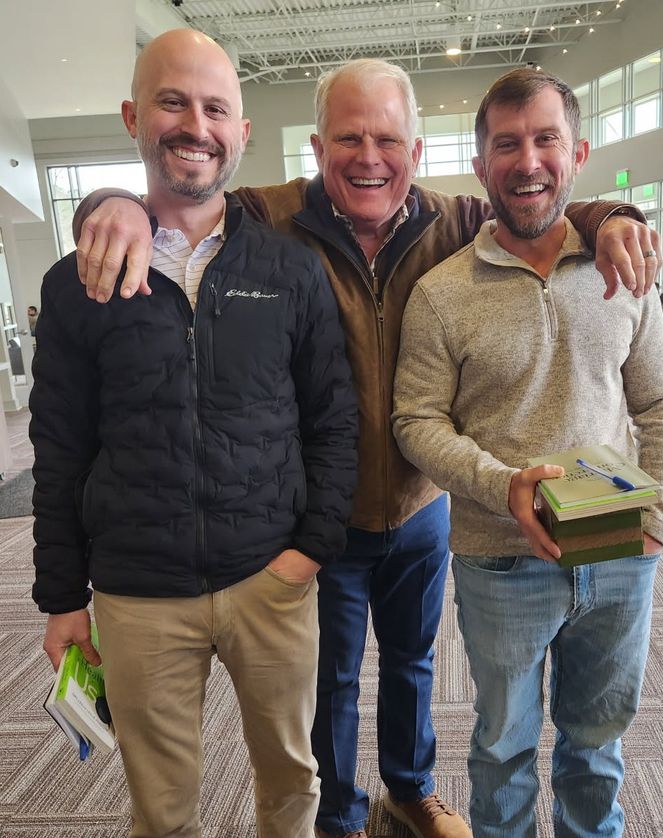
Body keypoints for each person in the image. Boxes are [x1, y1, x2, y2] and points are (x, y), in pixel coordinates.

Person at [69, 59, 661, 838]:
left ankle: (409, 791)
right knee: (332, 681)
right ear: (318, 146)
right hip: (321, 509)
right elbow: (182, 195)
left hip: (420, 505)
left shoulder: (450, 219)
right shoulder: (271, 216)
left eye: (388, 139)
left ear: (416, 153)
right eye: (349, 137)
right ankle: (342, 817)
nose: (369, 157)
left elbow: (541, 200)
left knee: (414, 663)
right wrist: (109, 203)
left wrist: (615, 214)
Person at [30, 29, 357, 838]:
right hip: (138, 593)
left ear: (243, 132)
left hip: (268, 580)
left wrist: (310, 548)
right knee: (163, 806)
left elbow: (333, 418)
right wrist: (62, 598)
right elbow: (59, 445)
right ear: (134, 115)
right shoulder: (77, 282)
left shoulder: (289, 270)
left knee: (291, 780)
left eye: (217, 109)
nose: (196, 126)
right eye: (173, 102)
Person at [392, 68, 663, 837]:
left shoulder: (625, 272)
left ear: (577, 152)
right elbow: (416, 423)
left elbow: (661, 402)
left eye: (546, 139)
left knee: (596, 746)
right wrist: (502, 484)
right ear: (481, 163)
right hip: (498, 561)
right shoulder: (441, 293)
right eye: (507, 144)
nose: (528, 161)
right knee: (500, 748)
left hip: (621, 554)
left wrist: (661, 520)